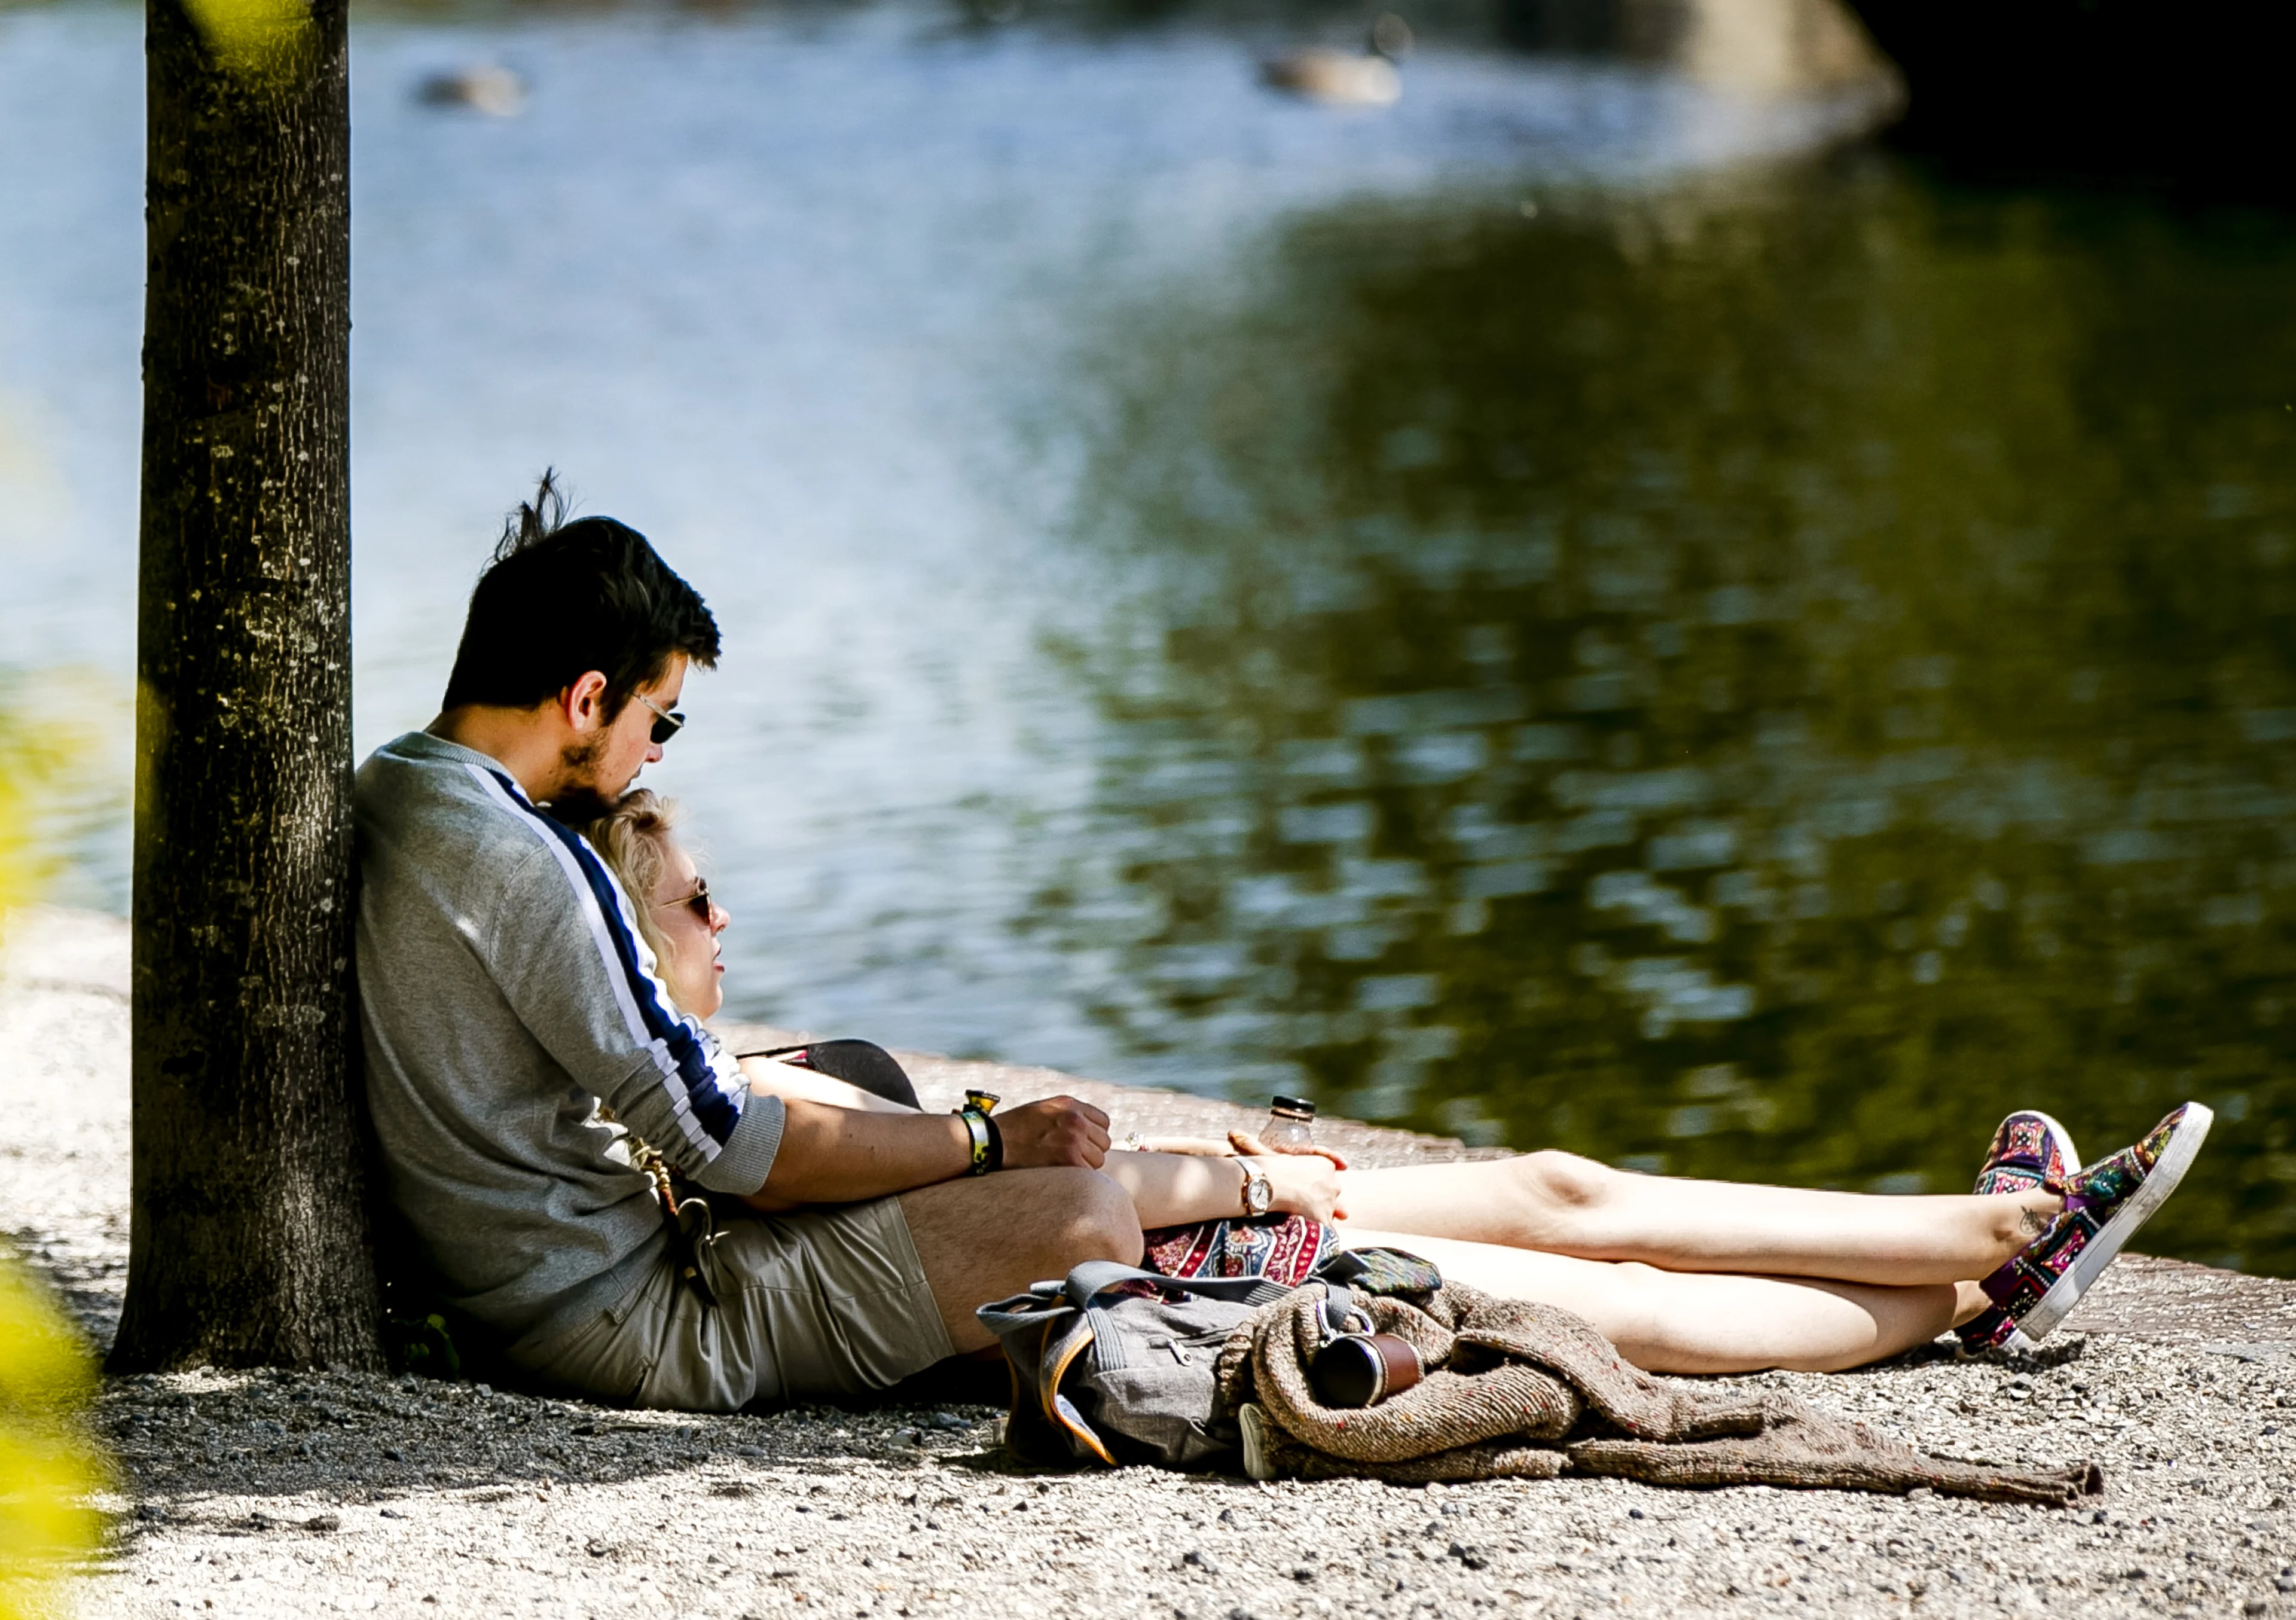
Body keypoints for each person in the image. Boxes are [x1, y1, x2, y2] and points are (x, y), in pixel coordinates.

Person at [584, 786, 2212, 1380]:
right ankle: (1994, 1262)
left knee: (1566, 1185)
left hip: (1210, 1206)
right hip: (1196, 1261)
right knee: (1617, 1305)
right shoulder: (714, 1131)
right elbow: (1019, 1203)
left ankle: (1983, 1244)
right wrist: (1243, 1179)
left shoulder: (739, 1068)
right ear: (639, 942)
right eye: (696, 901)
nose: (727, 917)